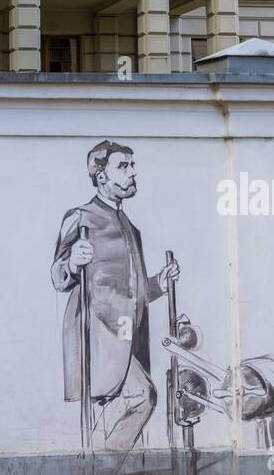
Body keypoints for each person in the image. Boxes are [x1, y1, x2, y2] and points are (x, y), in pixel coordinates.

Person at [51, 141, 179, 455]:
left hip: (128, 334)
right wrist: (72, 262)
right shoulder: (80, 217)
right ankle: (98, 467)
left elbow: (134, 291)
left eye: (132, 165)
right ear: (101, 176)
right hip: (97, 334)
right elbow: (58, 277)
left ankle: (94, 469)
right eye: (123, 166)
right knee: (142, 397)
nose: (133, 172)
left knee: (136, 400)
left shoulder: (130, 228)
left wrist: (159, 283)